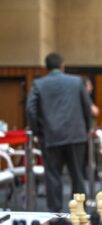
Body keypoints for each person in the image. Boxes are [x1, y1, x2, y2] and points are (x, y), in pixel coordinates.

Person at [26, 53, 91, 212]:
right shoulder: (76, 82)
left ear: (46, 67)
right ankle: (78, 213)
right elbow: (87, 107)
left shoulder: (38, 84)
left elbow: (30, 109)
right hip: (76, 136)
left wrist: (37, 131)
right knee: (77, 176)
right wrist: (87, 128)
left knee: (53, 176)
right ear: (62, 66)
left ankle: (54, 214)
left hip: (51, 137)